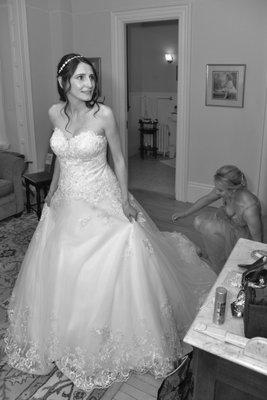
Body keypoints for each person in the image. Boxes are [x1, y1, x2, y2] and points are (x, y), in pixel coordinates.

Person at [4, 53, 216, 392]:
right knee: (60, 263)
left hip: (101, 193)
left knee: (122, 245)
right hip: (67, 200)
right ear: (64, 83)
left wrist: (122, 199)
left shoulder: (104, 115)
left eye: (91, 78)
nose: (89, 84)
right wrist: (52, 193)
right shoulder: (54, 113)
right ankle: (65, 333)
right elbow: (61, 157)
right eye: (81, 79)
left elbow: (118, 159)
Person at [172, 165, 263, 274]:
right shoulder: (227, 190)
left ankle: (228, 258)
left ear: (233, 189)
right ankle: (219, 258)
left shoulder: (249, 208)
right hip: (228, 224)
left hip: (244, 236)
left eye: (220, 190)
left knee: (237, 267)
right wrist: (185, 213)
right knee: (199, 221)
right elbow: (206, 199)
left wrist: (255, 264)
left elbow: (257, 242)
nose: (217, 192)